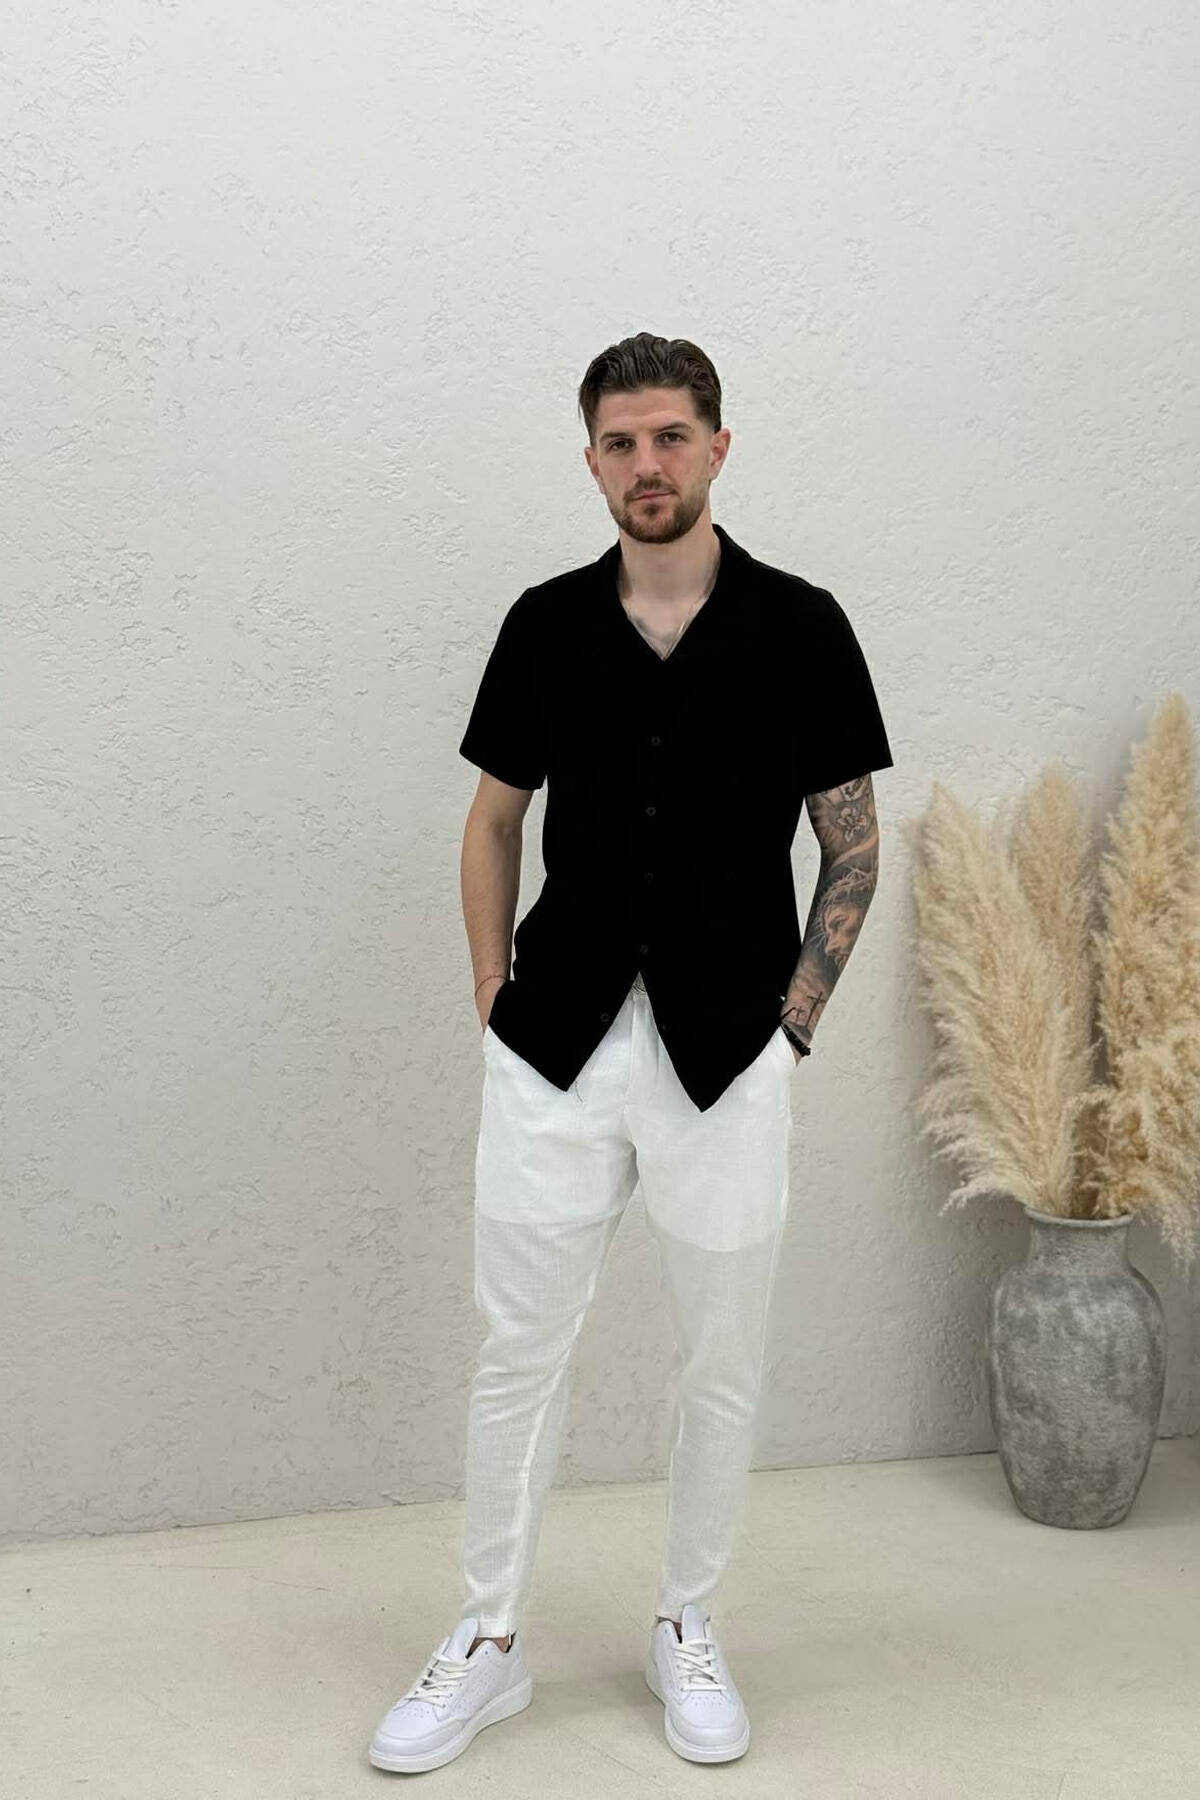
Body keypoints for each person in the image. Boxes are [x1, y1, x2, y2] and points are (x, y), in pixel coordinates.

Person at [368, 332, 893, 1774]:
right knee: (517, 1352)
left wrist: (796, 1020)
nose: (646, 465)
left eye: (670, 437)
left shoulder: (802, 626)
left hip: (730, 1053)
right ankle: (489, 1641)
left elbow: (852, 844)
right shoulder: (544, 624)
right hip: (553, 1046)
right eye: (620, 442)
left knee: (722, 1354)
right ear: (592, 461)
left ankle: (685, 1622)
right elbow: (494, 819)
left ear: (718, 446)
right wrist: (492, 987)